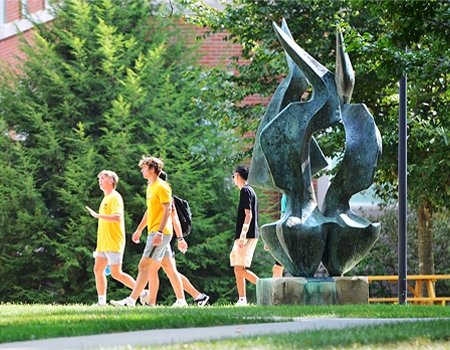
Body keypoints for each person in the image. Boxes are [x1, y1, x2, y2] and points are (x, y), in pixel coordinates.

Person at [110, 156, 187, 307]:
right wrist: (139, 229)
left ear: (152, 169)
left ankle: (131, 300)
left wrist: (159, 232)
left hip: (161, 232)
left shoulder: (162, 186)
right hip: (155, 231)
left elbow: (167, 211)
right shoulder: (150, 187)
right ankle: (181, 301)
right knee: (169, 268)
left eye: (144, 168)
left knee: (143, 265)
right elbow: (149, 211)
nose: (142, 171)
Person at [140, 171, 210, 307]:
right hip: (162, 236)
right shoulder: (155, 193)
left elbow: (174, 218)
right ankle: (196, 296)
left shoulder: (164, 195)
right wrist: (139, 230)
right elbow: (149, 214)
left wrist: (180, 239)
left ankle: (155, 302)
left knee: (156, 269)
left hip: (164, 236)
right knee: (167, 269)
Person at [86, 170, 137, 306]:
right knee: (98, 270)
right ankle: (101, 302)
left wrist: (98, 216)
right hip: (103, 243)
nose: (99, 181)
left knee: (116, 273)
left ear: (111, 181)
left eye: (102, 178)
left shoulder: (115, 197)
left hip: (114, 242)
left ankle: (142, 292)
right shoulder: (106, 197)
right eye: (99, 178)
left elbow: (117, 217)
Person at [230, 165, 259, 306]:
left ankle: (266, 288)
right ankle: (242, 299)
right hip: (245, 235)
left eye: (233, 177)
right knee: (237, 267)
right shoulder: (249, 191)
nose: (233, 180)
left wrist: (242, 237)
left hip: (246, 235)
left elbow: (249, 215)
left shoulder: (246, 191)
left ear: (237, 176)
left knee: (240, 268)